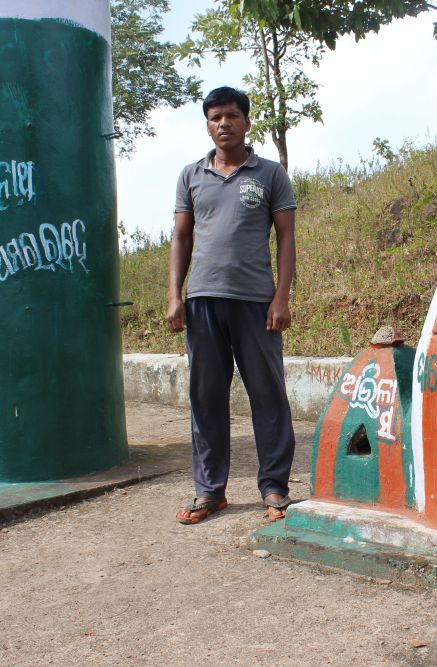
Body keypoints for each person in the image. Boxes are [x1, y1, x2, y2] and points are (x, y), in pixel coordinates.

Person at [166, 86, 297, 524]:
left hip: (256, 302)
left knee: (268, 394)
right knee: (205, 398)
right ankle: (209, 490)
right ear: (208, 124)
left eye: (232, 116)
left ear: (246, 121)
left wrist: (282, 296)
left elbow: (286, 238)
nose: (224, 123)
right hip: (203, 300)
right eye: (216, 117)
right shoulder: (190, 175)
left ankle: (275, 486)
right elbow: (182, 238)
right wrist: (174, 295)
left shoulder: (270, 174)